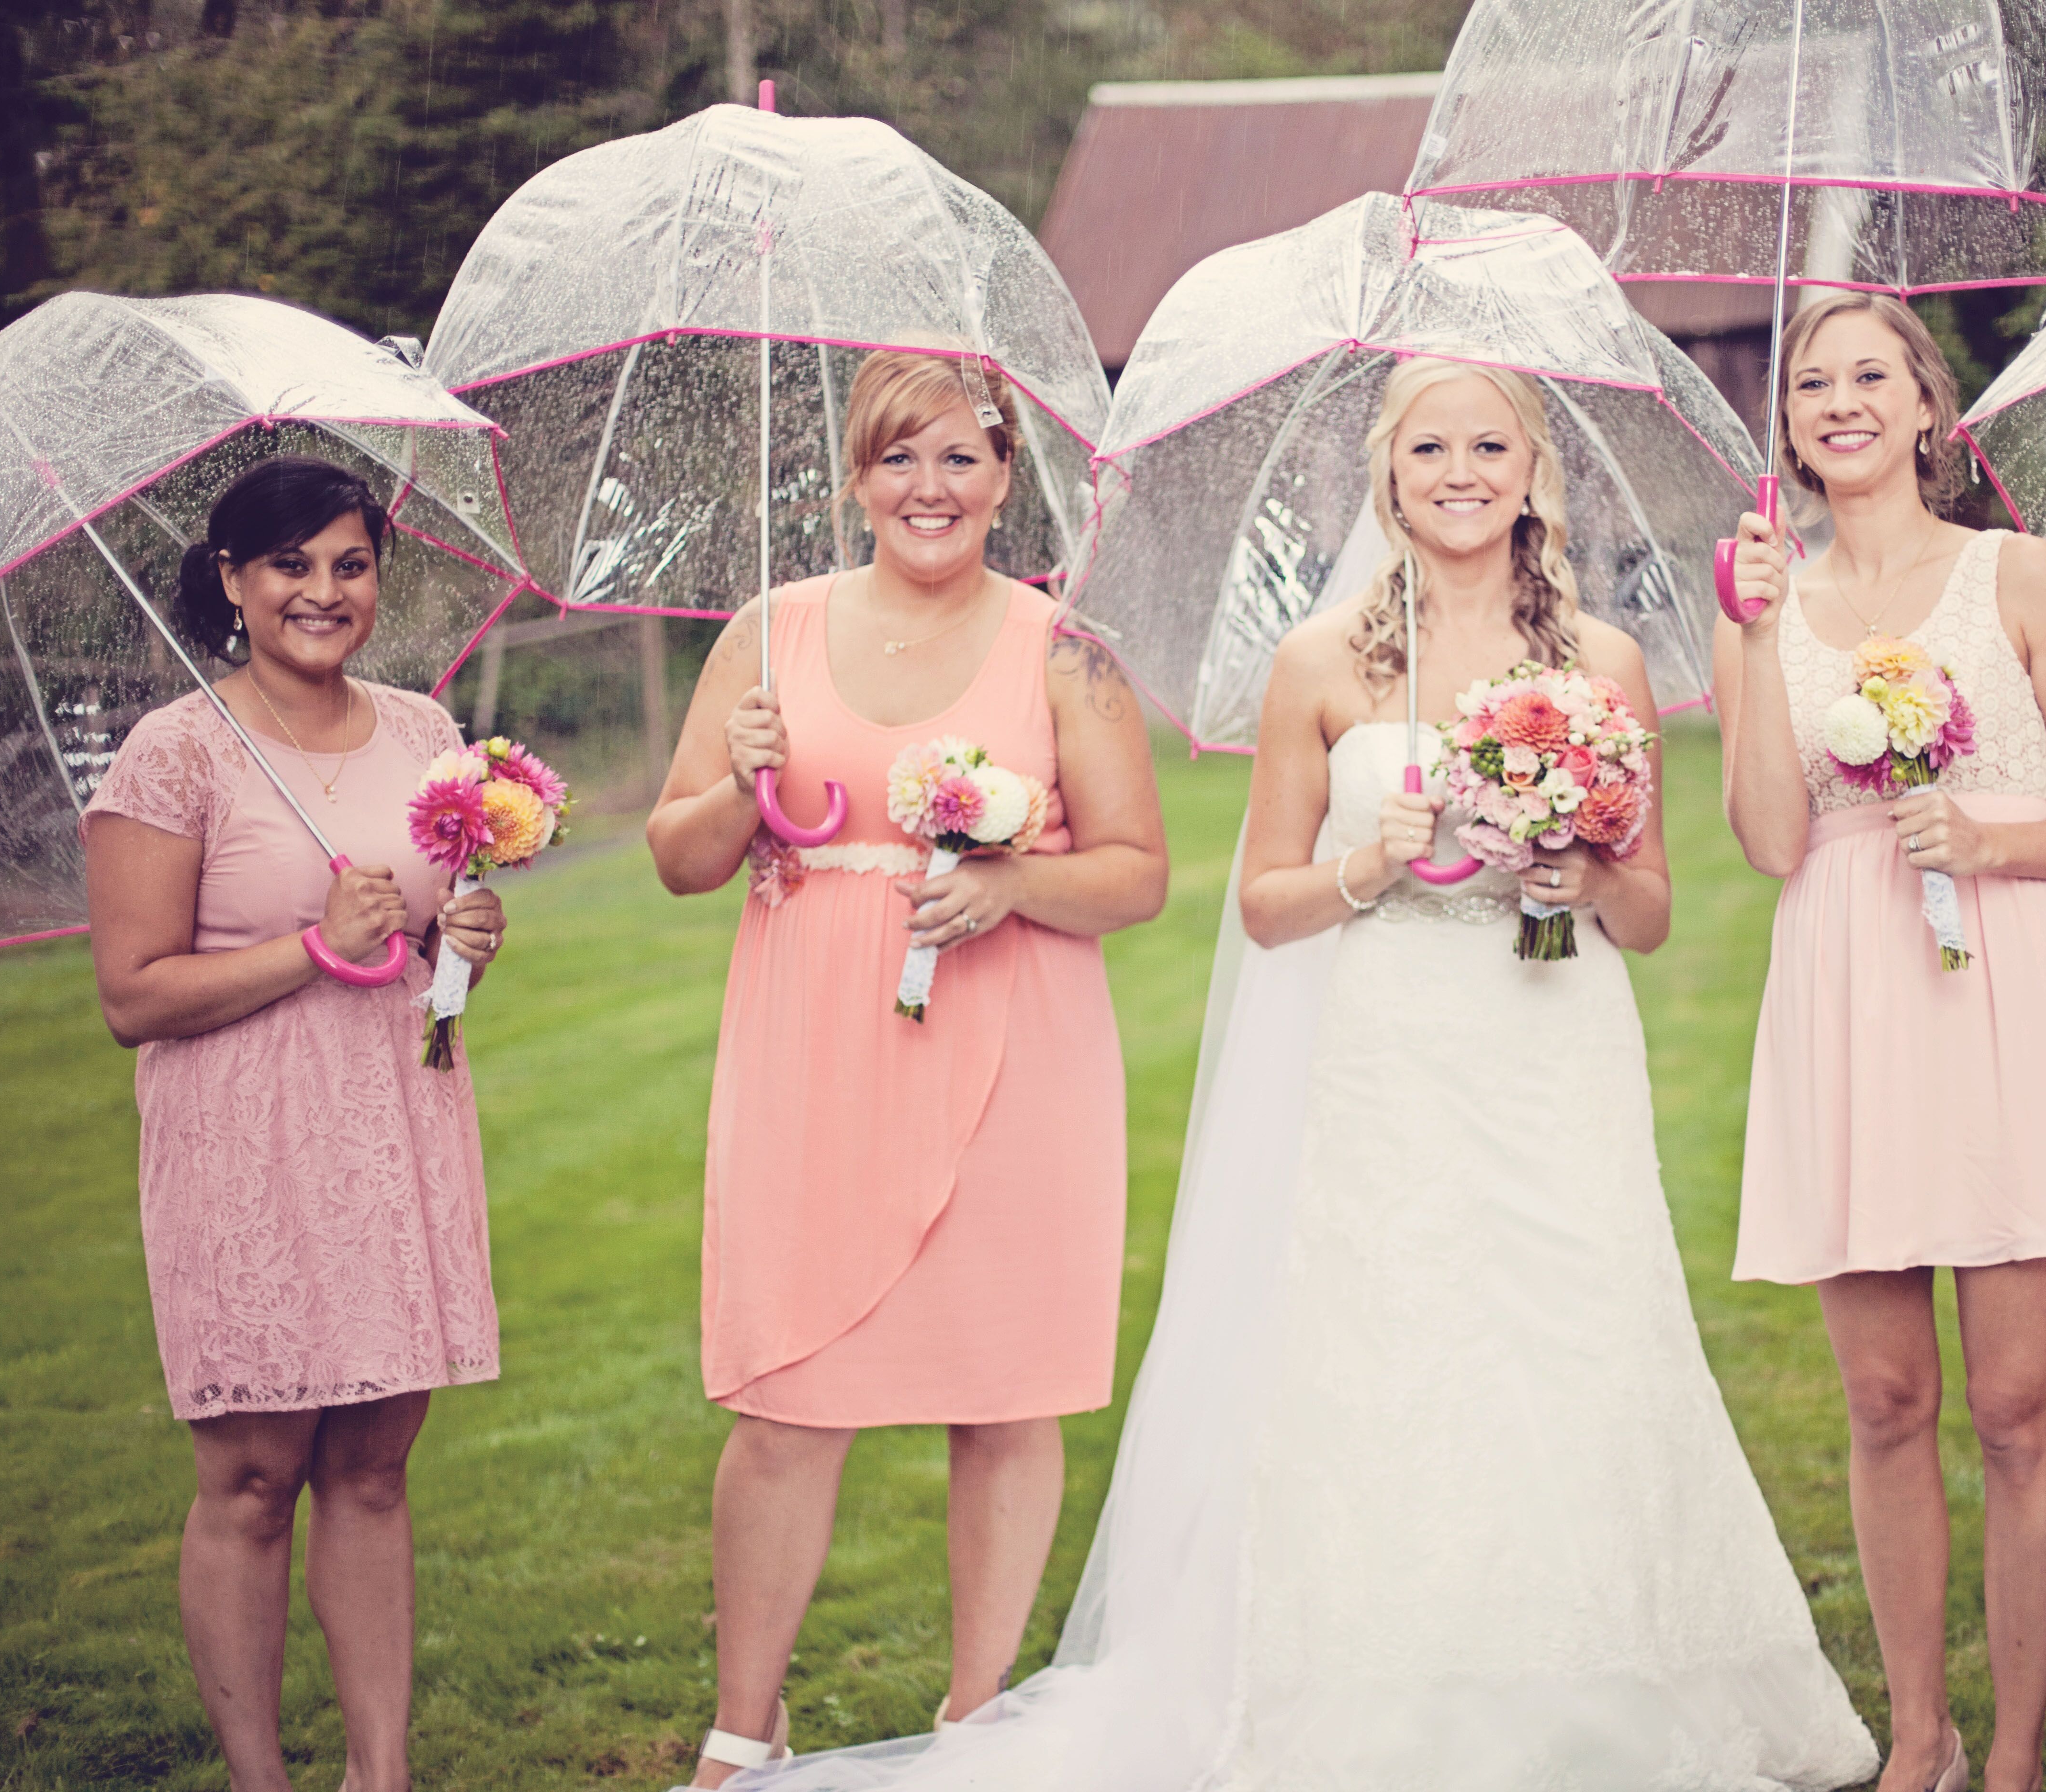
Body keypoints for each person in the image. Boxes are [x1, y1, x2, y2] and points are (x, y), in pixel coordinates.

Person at [738, 354, 1881, 1792]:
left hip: (1552, 1059)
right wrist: (1367, 865)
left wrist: (1576, 864)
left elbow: (1648, 914)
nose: (1460, 474)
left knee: (1579, 1347)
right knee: (1386, 1362)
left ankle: (1595, 1680)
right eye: (1427, 453)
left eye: (1486, 449)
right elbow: (1264, 903)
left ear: (1534, 475)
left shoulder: (1600, 669)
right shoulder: (1324, 663)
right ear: (1387, 480)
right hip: (1385, 1060)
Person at [644, 350, 1167, 1789]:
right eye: (899, 460)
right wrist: (731, 783)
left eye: (959, 459)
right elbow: (679, 862)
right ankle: (743, 1734)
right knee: (788, 1398)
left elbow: (1134, 875)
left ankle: (977, 1724)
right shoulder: (768, 635)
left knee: (1007, 1394)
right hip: (817, 1054)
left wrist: (1014, 888)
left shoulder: (1066, 652)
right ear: (857, 480)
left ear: (1005, 477)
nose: (929, 489)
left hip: (1017, 1059)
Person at [1715, 292, 2046, 1792]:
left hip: (2005, 981)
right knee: (1887, 1400)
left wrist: (1985, 841)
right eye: (1810, 383)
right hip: (1850, 986)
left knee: (2021, 1408)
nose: (1838, 401)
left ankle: (2017, 1755)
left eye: (1870, 377)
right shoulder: (1758, 602)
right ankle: (1923, 1740)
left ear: (1927, 409)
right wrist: (1755, 637)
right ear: (1788, 427)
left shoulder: (2021, 574)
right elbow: (1776, 840)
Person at [80, 455, 506, 1792]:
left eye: (350, 563)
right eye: (291, 566)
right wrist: (311, 950)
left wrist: (467, 947)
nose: (324, 592)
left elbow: (426, 954)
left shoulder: (426, 736)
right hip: (244, 1151)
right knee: (259, 1476)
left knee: (375, 1470)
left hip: (397, 1127)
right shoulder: (176, 751)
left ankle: (378, 1779)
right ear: (232, 583)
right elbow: (131, 996)